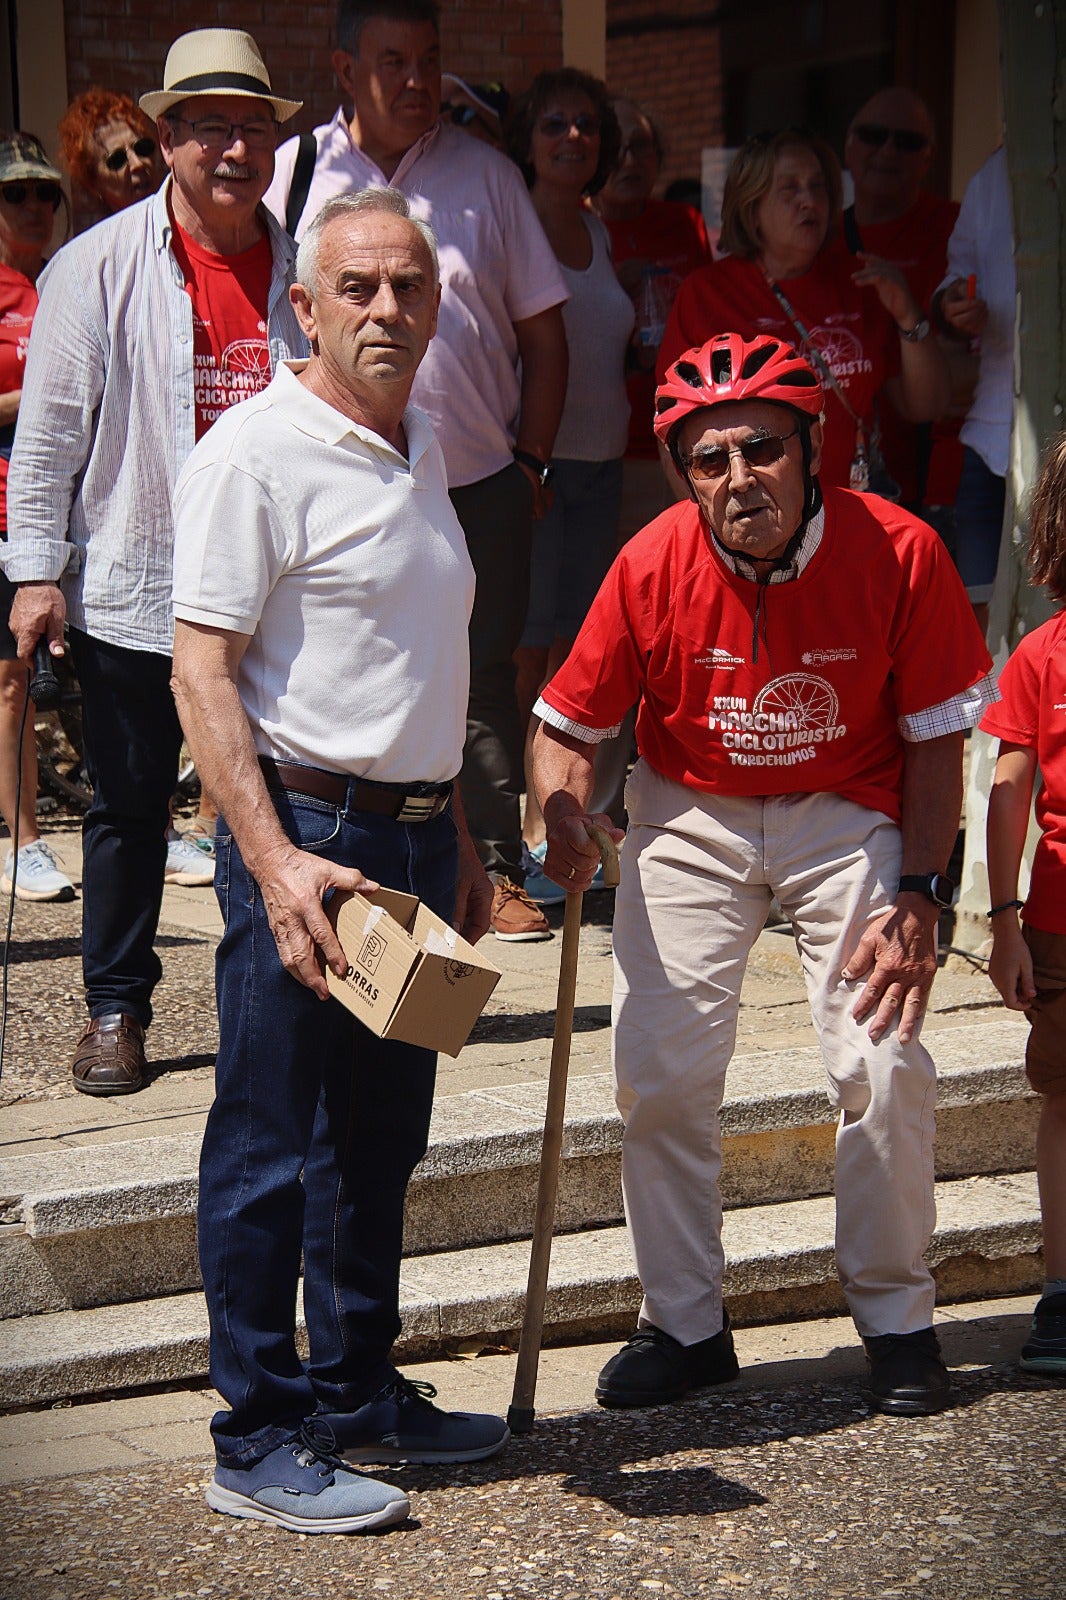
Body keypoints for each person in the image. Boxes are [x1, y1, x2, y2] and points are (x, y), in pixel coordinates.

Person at [532, 332, 996, 1417]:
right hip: (690, 806)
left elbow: (936, 740)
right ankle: (683, 1324)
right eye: (708, 461)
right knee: (659, 1068)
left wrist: (923, 889)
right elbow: (567, 724)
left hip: (849, 808)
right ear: (683, 475)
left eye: (760, 450)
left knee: (882, 1063)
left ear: (813, 446)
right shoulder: (649, 561)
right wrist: (559, 812)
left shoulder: (903, 549)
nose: (738, 479)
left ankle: (896, 1319)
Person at [171, 187, 507, 1536]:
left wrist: (464, 833)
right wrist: (273, 866)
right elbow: (202, 671)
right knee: (265, 1145)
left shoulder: (423, 441)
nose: (385, 309)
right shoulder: (253, 453)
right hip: (310, 840)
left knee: (379, 1142)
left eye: (407, 287)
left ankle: (356, 1392)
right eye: (355, 288)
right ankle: (254, 1437)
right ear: (300, 308)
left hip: (414, 837)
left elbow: (420, 657)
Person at [2, 29, 308, 1096]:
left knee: (271, 800)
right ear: (169, 139)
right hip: (136, 582)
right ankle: (116, 1008)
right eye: (210, 127)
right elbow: (46, 438)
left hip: (272, 587)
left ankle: (272, 1003)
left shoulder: (308, 268)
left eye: (252, 127)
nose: (234, 148)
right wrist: (36, 572)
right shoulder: (95, 266)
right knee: (129, 809)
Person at [263, 0, 569, 944]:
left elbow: (544, 336)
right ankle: (329, 854)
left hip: (471, 475)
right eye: (394, 60)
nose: (418, 80)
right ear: (345, 69)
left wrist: (529, 467)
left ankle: (490, 872)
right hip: (332, 473)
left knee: (475, 681)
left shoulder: (489, 178)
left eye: (430, 60)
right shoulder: (294, 172)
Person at [503, 69, 632, 900]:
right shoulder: (511, 226)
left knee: (586, 658)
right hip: (535, 468)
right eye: (554, 123)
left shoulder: (601, 232)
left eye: (587, 125)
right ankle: (525, 838)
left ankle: (580, 828)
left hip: (604, 468)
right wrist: (528, 456)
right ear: (527, 136)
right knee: (527, 653)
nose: (572, 137)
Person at [659, 129, 949, 491]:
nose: (809, 199)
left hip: (853, 510)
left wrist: (908, 314)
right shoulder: (707, 294)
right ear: (753, 207)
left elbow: (926, 405)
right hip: (756, 517)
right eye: (790, 188)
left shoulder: (861, 281)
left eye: (818, 186)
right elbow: (672, 432)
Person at [980, 432, 1066, 1376]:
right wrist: (1004, 921)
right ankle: (1061, 1295)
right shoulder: (1042, 654)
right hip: (1060, 925)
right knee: (1065, 1105)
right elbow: (1009, 788)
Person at [0, 134, 75, 903]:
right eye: (16, 193)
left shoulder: (66, 280)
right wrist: (41, 397)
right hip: (2, 507)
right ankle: (23, 841)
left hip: (66, 507)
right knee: (11, 680)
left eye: (45, 193)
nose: (33, 206)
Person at [842, 88, 963, 517]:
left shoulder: (958, 228)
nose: (888, 150)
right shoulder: (819, 238)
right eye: (874, 135)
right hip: (851, 479)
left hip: (946, 471)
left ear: (929, 157)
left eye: (908, 142)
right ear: (849, 147)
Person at [591, 97, 712, 525]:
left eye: (641, 146)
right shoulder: (580, 231)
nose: (630, 160)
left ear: (659, 157)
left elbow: (711, 318)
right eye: (617, 148)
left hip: (691, 440)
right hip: (613, 450)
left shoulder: (685, 224)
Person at [933, 147, 1015, 635]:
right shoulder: (996, 172)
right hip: (991, 441)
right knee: (979, 635)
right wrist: (953, 305)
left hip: (1047, 437)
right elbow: (956, 277)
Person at [58, 89, 164, 217]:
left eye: (142, 148)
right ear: (93, 183)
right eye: (117, 159)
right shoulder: (99, 237)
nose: (138, 163)